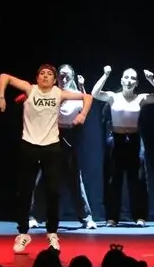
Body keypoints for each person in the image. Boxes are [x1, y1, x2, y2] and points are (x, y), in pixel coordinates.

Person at [0, 64, 93, 252]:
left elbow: (87, 97)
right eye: (42, 73)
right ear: (37, 77)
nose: (46, 76)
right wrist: (1, 97)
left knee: (53, 192)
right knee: (25, 191)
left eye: (50, 74)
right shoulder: (29, 89)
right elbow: (4, 75)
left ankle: (52, 234)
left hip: (51, 146)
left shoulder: (59, 93)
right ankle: (23, 234)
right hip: (29, 145)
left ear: (55, 79)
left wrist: (82, 114)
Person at [18, 64, 97, 230]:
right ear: (56, 78)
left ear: (72, 77)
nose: (64, 78)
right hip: (50, 136)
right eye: (61, 75)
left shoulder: (76, 95)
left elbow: (87, 99)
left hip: (69, 137)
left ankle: (86, 217)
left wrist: (82, 114)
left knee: (74, 179)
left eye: (67, 75)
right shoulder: (49, 92)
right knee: (42, 179)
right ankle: (34, 216)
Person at [90, 66, 154, 226]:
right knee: (113, 180)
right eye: (126, 77)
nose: (129, 81)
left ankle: (140, 216)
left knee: (138, 180)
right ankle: (112, 217)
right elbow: (95, 93)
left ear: (136, 83)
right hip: (116, 141)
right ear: (121, 80)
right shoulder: (113, 97)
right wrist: (105, 75)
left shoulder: (140, 98)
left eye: (133, 78)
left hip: (133, 140)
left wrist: (151, 80)